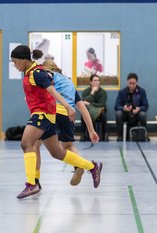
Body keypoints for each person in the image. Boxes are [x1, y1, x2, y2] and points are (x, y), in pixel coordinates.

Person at [11, 45, 103, 199]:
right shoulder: (32, 73)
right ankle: (92, 167)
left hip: (43, 114)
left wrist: (67, 107)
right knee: (57, 152)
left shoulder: (36, 73)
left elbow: (52, 91)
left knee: (26, 144)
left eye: (15, 62)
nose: (15, 65)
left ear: (23, 59)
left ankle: (32, 183)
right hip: (47, 114)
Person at [33, 60, 100, 188]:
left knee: (34, 144)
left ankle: (35, 180)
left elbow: (48, 88)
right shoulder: (69, 83)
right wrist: (91, 130)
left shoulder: (48, 75)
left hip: (52, 112)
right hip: (68, 116)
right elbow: (83, 109)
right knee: (68, 145)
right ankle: (79, 165)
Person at [115, 73, 149, 141]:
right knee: (118, 113)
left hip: (136, 113)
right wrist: (123, 108)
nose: (131, 85)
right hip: (125, 114)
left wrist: (139, 109)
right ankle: (120, 135)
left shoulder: (142, 91)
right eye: (130, 83)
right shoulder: (122, 92)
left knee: (143, 114)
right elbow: (116, 106)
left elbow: (146, 105)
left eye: (133, 83)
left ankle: (142, 135)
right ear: (127, 82)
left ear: (136, 83)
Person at [81, 74, 108, 141]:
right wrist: (92, 92)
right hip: (88, 110)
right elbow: (84, 102)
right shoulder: (86, 91)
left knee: (103, 115)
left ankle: (105, 135)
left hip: (100, 110)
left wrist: (90, 104)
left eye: (98, 80)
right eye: (95, 80)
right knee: (84, 114)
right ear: (91, 82)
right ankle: (83, 135)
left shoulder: (103, 92)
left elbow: (101, 104)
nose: (97, 82)